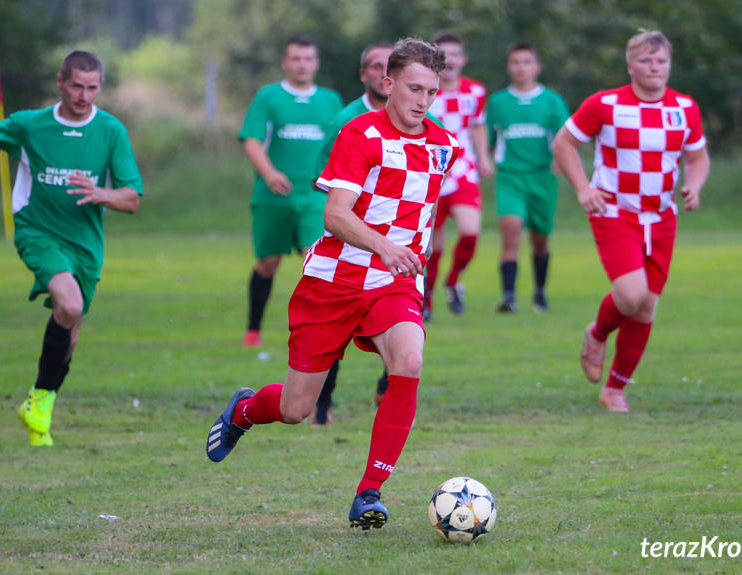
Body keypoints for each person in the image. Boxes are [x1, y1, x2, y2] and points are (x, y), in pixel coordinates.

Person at [206, 38, 460, 530]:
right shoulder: (358, 135)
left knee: (408, 360)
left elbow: (423, 211)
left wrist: (410, 256)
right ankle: (244, 410)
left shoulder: (442, 144)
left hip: (394, 283)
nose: (423, 101)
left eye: (431, 92)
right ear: (388, 84)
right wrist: (385, 245)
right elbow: (336, 214)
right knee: (296, 407)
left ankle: (369, 492)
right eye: (414, 89)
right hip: (335, 281)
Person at [0, 50, 143, 445]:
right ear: (60, 83)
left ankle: (38, 407)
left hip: (85, 244)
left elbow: (131, 200)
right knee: (70, 306)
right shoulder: (31, 124)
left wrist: (100, 193)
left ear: (100, 87)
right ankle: (40, 406)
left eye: (92, 87)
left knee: (71, 333)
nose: (83, 95)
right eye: (76, 86)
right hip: (37, 231)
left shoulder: (110, 130)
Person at [552, 29, 710, 412]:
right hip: (615, 213)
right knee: (629, 294)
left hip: (662, 219)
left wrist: (694, 185)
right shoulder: (605, 104)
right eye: (645, 60)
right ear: (630, 65)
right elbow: (563, 144)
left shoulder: (685, 107)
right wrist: (583, 189)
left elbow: (698, 157)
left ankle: (614, 389)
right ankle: (596, 334)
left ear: (669, 65)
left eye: (661, 61)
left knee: (646, 307)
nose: (654, 67)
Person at [239, 35, 343, 349]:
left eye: (308, 58)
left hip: (314, 198)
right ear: (285, 62)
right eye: (296, 58)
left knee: (317, 260)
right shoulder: (269, 97)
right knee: (267, 263)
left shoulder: (331, 100)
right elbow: (252, 140)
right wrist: (269, 173)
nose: (302, 64)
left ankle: (315, 329)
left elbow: (341, 145)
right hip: (273, 197)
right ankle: (253, 329)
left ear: (317, 63)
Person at [309, 42, 394, 425]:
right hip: (352, 245)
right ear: (365, 74)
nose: (383, 74)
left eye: (390, 66)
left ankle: (388, 392)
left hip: (398, 247)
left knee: (407, 330)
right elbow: (321, 181)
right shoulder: (346, 120)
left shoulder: (418, 123)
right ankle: (321, 408)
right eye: (376, 67)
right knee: (336, 333)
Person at [488, 42, 570, 313]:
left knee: (539, 239)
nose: (521, 68)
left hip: (542, 178)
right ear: (508, 67)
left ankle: (539, 292)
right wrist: (485, 159)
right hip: (510, 177)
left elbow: (565, 138)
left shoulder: (552, 101)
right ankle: (509, 297)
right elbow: (486, 138)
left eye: (526, 62)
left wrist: (561, 160)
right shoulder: (498, 102)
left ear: (537, 67)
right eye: (515, 62)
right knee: (511, 232)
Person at [423, 31, 494, 319]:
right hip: (431, 173)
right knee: (432, 247)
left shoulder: (475, 92)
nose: (449, 59)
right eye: (443, 53)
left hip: (463, 169)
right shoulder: (425, 91)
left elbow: (477, 125)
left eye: (454, 54)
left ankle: (452, 281)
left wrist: (484, 157)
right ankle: (426, 299)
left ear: (463, 59)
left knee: (470, 231)